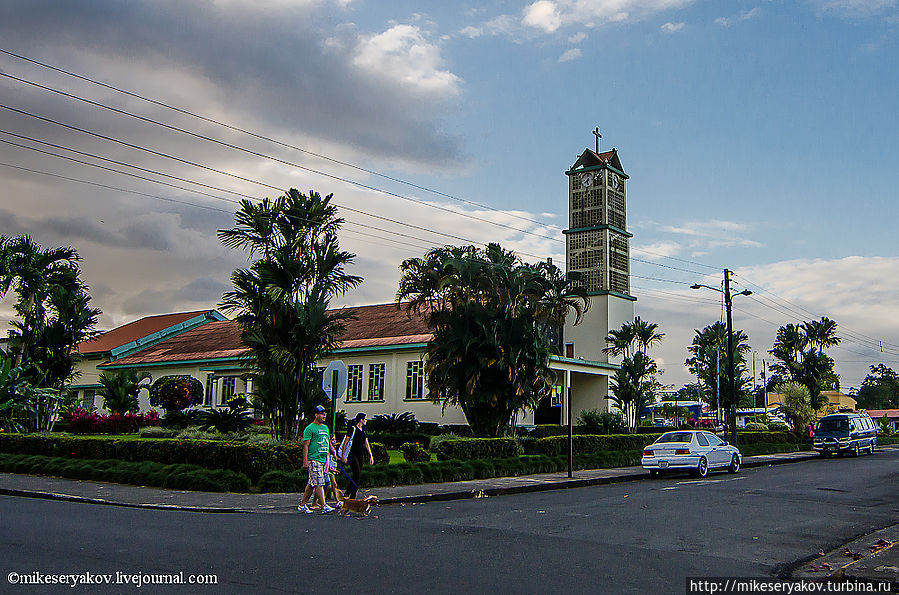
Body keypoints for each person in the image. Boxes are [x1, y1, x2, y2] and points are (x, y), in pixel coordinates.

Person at [298, 405, 336, 514]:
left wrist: (333, 452)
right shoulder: (310, 428)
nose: (324, 415)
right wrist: (305, 461)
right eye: (321, 413)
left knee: (311, 483)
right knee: (319, 482)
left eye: (324, 414)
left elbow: (327, 441)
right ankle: (324, 505)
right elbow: (306, 445)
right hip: (314, 459)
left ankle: (302, 505)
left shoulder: (325, 428)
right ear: (316, 415)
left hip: (323, 459)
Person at [338, 412, 374, 499]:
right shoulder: (353, 429)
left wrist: (370, 455)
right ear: (361, 420)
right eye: (365, 419)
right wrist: (343, 456)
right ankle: (353, 495)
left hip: (360, 454)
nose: (366, 421)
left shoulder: (363, 431)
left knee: (357, 474)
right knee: (357, 472)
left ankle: (348, 492)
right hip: (352, 453)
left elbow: (366, 443)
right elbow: (346, 442)